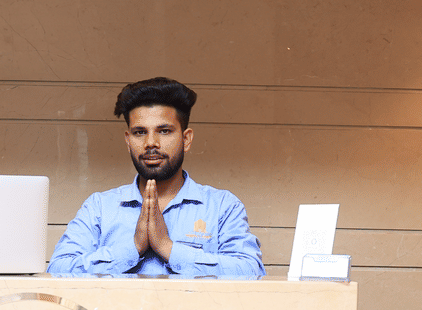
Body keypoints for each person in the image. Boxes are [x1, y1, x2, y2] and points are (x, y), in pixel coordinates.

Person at [47, 77, 264, 276]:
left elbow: (250, 270)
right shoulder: (99, 208)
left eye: (164, 131)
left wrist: (167, 248)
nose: (151, 143)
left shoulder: (222, 206)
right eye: (140, 132)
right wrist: (133, 247)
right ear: (128, 141)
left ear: (186, 139)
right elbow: (58, 269)